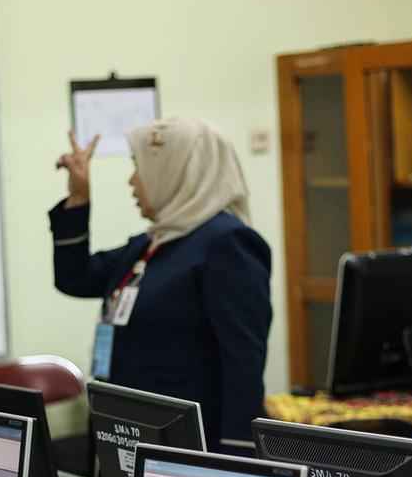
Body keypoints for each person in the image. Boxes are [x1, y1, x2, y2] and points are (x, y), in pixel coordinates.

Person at [48, 117, 271, 452]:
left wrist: (237, 455)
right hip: (132, 435)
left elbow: (243, 363)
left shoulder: (227, 243)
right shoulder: (151, 244)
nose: (132, 181)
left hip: (191, 446)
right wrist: (79, 199)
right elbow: (75, 277)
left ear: (176, 170)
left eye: (139, 167)